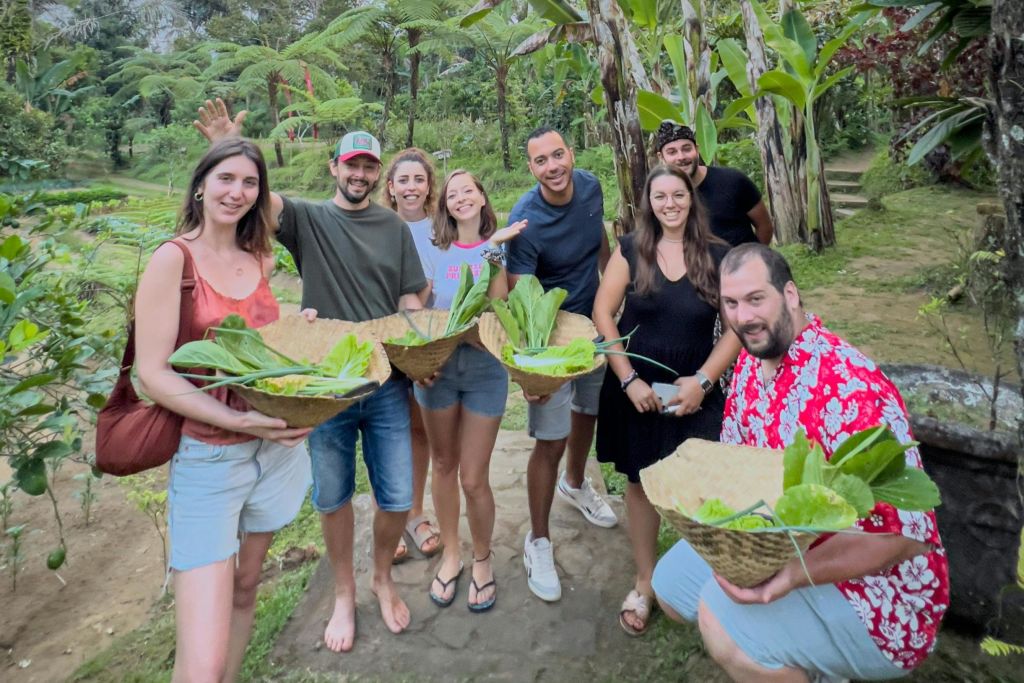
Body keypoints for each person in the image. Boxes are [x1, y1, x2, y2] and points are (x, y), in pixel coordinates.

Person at [652, 243, 949, 681]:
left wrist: (793, 575)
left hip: (877, 593)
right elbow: (738, 470)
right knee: (669, 588)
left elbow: (909, 537)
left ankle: (809, 665)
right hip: (782, 543)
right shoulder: (751, 363)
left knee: (720, 623)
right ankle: (796, 649)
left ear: (789, 294)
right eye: (731, 303)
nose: (743, 317)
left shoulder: (852, 387)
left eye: (756, 299)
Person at [194, 100, 426, 652]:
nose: (360, 174)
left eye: (369, 166)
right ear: (334, 167)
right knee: (332, 496)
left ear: (378, 173)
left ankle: (382, 577)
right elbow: (259, 202)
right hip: (323, 388)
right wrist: (227, 148)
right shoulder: (309, 218)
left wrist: (421, 341)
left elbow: (409, 297)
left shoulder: (394, 227)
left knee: (397, 498)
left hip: (385, 381)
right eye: (351, 164)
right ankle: (344, 592)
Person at [134, 138, 313, 682]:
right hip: (210, 460)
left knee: (245, 588)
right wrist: (235, 420)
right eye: (225, 179)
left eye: (249, 182)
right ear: (200, 185)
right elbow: (153, 373)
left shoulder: (260, 257)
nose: (237, 192)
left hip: (274, 455)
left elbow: (256, 352)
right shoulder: (173, 259)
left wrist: (293, 339)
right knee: (202, 661)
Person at [593, 165, 741, 636]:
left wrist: (703, 381)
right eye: (660, 196)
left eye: (678, 194)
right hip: (637, 386)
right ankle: (645, 581)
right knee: (641, 482)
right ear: (649, 202)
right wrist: (628, 380)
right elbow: (603, 313)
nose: (670, 204)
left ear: (691, 198)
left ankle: (700, 577)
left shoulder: (719, 254)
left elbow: (735, 327)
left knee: (701, 484)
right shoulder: (631, 248)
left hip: (694, 386)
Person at [507, 126, 617, 603]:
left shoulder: (590, 187)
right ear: (530, 168)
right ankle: (538, 541)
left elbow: (600, 242)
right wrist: (529, 370)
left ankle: (576, 484)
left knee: (587, 412)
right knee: (550, 439)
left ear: (571, 154)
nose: (552, 166)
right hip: (551, 340)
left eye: (558, 155)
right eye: (541, 160)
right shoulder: (525, 220)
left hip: (593, 329)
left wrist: (614, 292)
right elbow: (521, 300)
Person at [415, 170, 526, 611]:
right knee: (442, 464)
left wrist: (492, 249)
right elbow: (420, 308)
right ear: (445, 205)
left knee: (474, 477)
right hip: (440, 370)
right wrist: (421, 356)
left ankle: (482, 558)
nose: (460, 197)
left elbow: (497, 308)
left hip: (484, 371)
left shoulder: (497, 248)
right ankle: (451, 553)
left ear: (482, 197)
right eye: (452, 193)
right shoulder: (434, 250)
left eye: (468, 190)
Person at [381, 148, 442, 563]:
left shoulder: (441, 228)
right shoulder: (376, 225)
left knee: (420, 430)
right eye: (403, 180)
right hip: (384, 341)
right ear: (390, 187)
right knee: (384, 431)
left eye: (418, 179)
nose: (411, 187)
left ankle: (415, 512)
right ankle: (389, 516)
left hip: (425, 343)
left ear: (429, 186)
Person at [654, 121, 773, 247]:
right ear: (661, 157)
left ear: (697, 149)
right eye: (672, 152)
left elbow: (765, 226)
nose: (681, 157)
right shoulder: (661, 199)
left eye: (686, 149)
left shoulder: (732, 180)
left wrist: (753, 256)